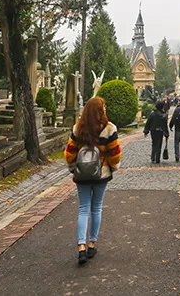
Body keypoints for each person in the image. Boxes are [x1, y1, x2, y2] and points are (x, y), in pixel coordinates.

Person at [64, 97, 121, 265]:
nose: (105, 109)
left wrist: (73, 168)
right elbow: (115, 154)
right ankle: (91, 245)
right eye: (104, 106)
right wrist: (113, 167)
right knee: (96, 208)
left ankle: (81, 246)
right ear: (100, 110)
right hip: (101, 174)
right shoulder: (109, 129)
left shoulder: (78, 128)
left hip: (82, 174)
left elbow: (69, 153)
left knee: (83, 209)